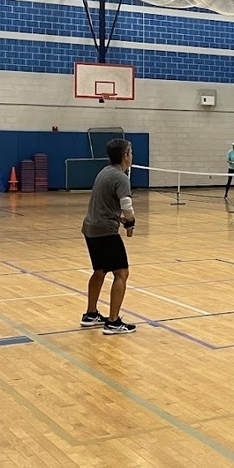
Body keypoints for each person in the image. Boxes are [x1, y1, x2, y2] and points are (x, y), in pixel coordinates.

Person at [80, 138, 138, 334]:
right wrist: (130, 219)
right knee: (121, 273)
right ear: (125, 156)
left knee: (100, 270)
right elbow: (127, 206)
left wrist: (118, 218)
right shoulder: (121, 178)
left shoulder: (105, 172)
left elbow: (106, 204)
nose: (132, 156)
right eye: (130, 152)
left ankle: (90, 314)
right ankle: (113, 322)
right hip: (105, 231)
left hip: (91, 228)